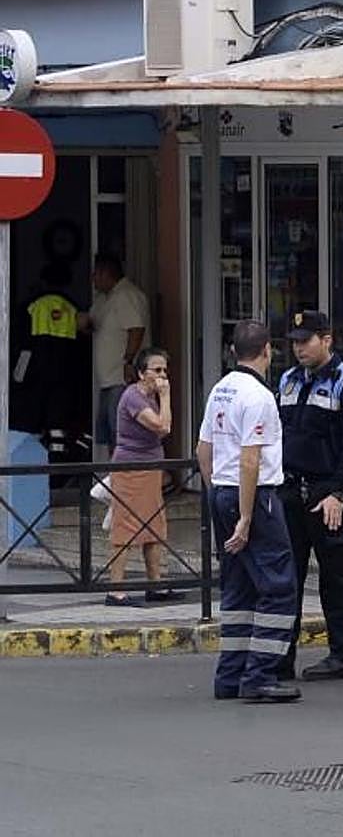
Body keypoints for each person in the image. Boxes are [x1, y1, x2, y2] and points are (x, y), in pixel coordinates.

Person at [196, 320, 300, 703]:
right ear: (267, 350)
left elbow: (202, 451)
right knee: (278, 587)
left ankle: (230, 675)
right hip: (254, 497)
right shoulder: (258, 396)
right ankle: (259, 677)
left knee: (238, 586)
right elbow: (251, 461)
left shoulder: (220, 390)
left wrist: (216, 497)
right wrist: (245, 515)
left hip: (222, 491)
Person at [276, 310, 343, 682]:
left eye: (306, 340)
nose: (299, 348)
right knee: (287, 578)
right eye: (295, 342)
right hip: (290, 491)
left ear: (327, 339)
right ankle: (280, 657)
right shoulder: (287, 380)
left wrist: (338, 493)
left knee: (335, 577)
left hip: (326, 494)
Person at [104, 347, 184, 606]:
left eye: (164, 370)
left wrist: (162, 396)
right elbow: (163, 427)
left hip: (150, 468)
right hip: (130, 469)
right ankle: (116, 589)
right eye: (156, 370)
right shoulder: (133, 398)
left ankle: (155, 584)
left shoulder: (150, 397)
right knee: (125, 527)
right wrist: (167, 395)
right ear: (141, 373)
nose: (162, 375)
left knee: (154, 525)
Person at [79, 253, 150, 459]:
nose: (92, 280)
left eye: (95, 275)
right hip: (107, 379)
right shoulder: (103, 298)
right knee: (109, 431)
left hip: (122, 378)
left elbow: (136, 329)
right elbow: (93, 323)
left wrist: (128, 361)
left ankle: (123, 480)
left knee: (121, 432)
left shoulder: (127, 295)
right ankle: (114, 479)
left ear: (106, 273)